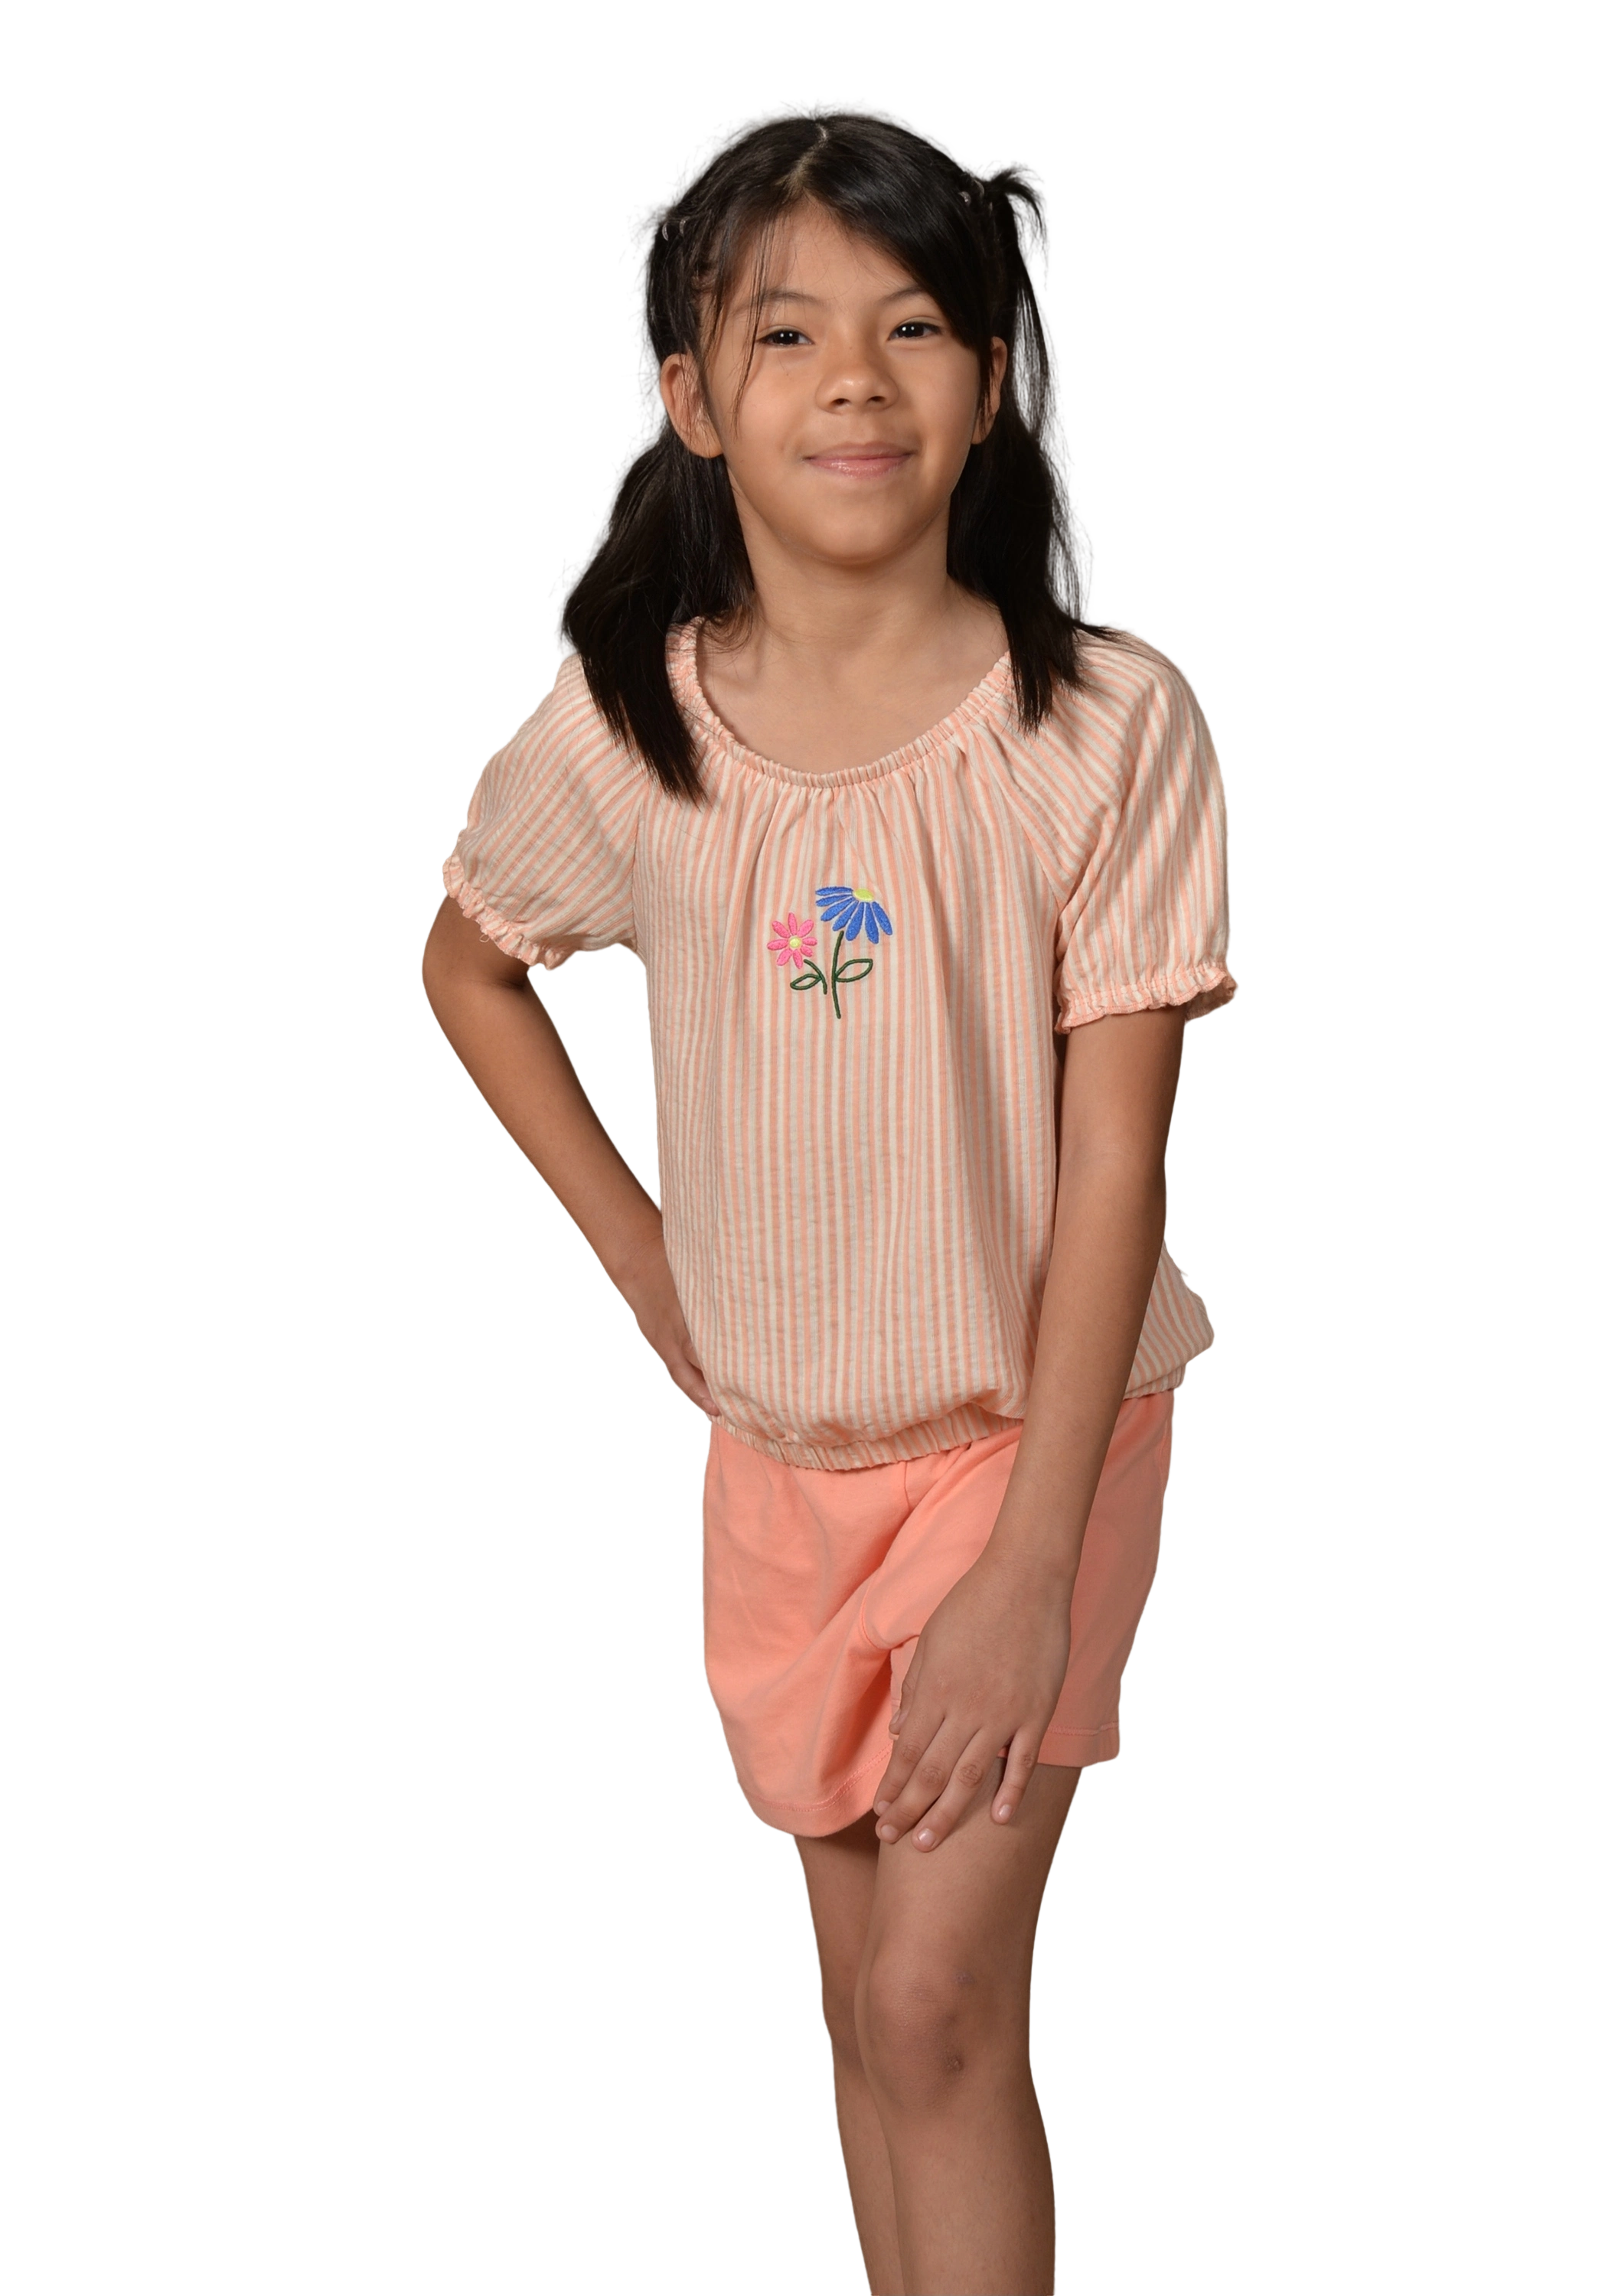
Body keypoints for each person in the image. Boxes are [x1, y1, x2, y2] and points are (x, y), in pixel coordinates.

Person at [419, 93, 1239, 2296]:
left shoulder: (1106, 725)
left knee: (937, 2003)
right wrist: (634, 1246)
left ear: (991, 385)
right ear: (696, 401)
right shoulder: (632, 728)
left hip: (1030, 1440)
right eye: (785, 332)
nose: (855, 381)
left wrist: (1031, 1561)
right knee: (869, 2016)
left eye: (913, 327)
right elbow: (470, 965)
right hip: (780, 1456)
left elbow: (1117, 1151)